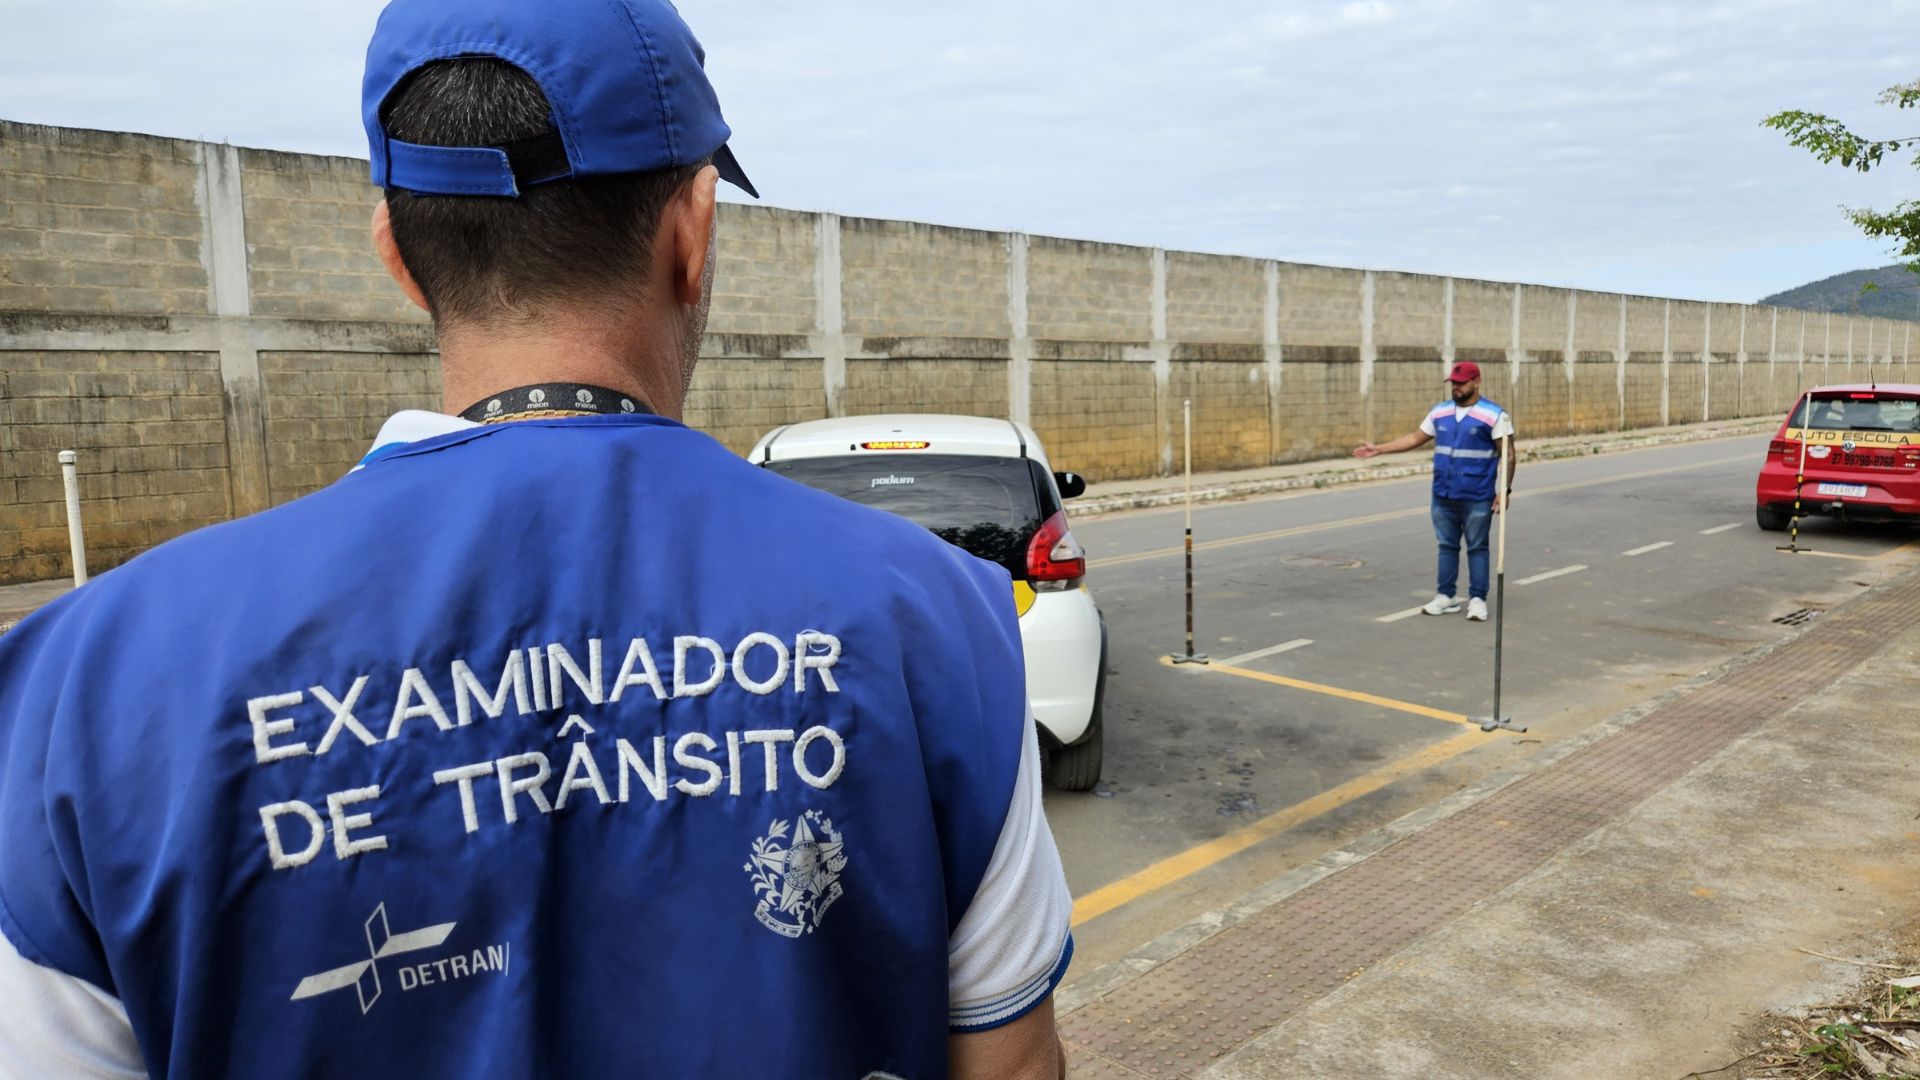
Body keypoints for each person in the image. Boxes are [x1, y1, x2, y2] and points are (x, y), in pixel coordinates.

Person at [0, 2, 1072, 1077]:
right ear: (691, 235)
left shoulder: (86, 691)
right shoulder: (937, 622)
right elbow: (1012, 1063)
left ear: (399, 257)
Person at [1352, 361, 1516, 622]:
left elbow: (1507, 454)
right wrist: (1379, 449)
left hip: (1476, 495)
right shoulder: (1439, 412)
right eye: (1453, 383)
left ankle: (1477, 599)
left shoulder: (1494, 414)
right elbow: (1414, 439)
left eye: (1461, 382)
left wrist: (1504, 490)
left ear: (1476, 382)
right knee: (1447, 546)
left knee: (1477, 547)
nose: (1456, 387)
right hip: (1443, 493)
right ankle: (1446, 596)